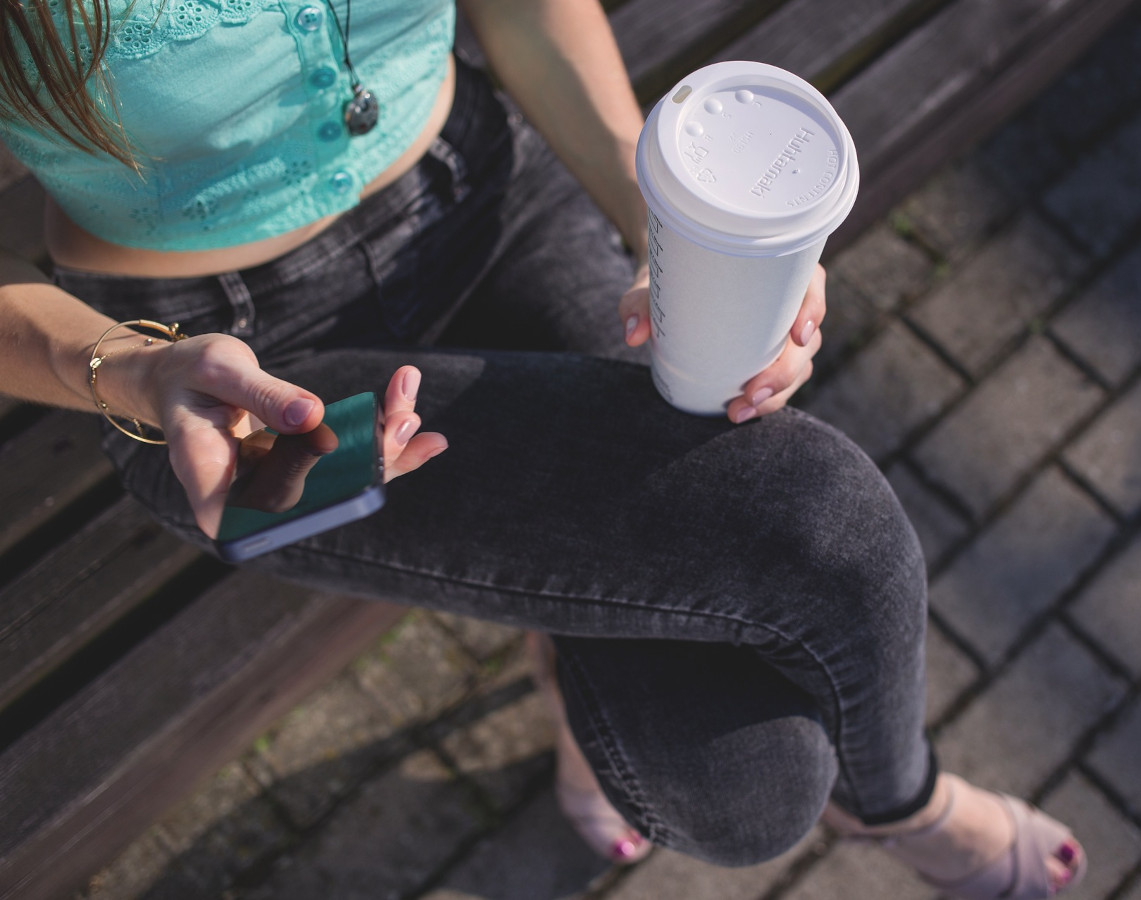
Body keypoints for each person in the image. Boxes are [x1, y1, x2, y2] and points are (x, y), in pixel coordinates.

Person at [0, 0, 1086, 895]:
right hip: (221, 374)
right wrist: (126, 370)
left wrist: (674, 228)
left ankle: (605, 643)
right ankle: (900, 802)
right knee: (810, 556)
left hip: (482, 196)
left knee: (742, 775)